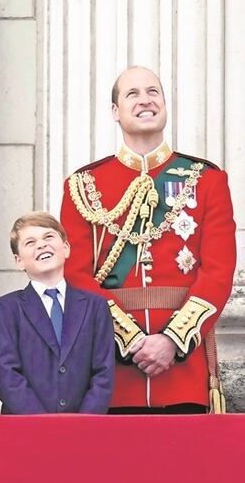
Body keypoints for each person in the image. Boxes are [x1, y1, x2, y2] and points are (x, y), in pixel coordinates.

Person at [60, 66, 237, 414]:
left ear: (165, 105)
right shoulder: (83, 185)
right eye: (133, 94)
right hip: (110, 372)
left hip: (183, 370)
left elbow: (218, 271)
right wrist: (131, 340)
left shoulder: (206, 180)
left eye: (153, 92)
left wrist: (172, 340)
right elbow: (75, 274)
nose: (145, 100)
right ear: (115, 112)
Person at [0, 212, 114, 414]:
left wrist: (84, 422)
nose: (41, 245)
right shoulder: (8, 308)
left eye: (48, 237)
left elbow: (103, 372)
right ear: (19, 261)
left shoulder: (95, 306)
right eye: (30, 242)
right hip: (27, 429)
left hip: (84, 429)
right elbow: (6, 372)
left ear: (65, 248)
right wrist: (42, 425)